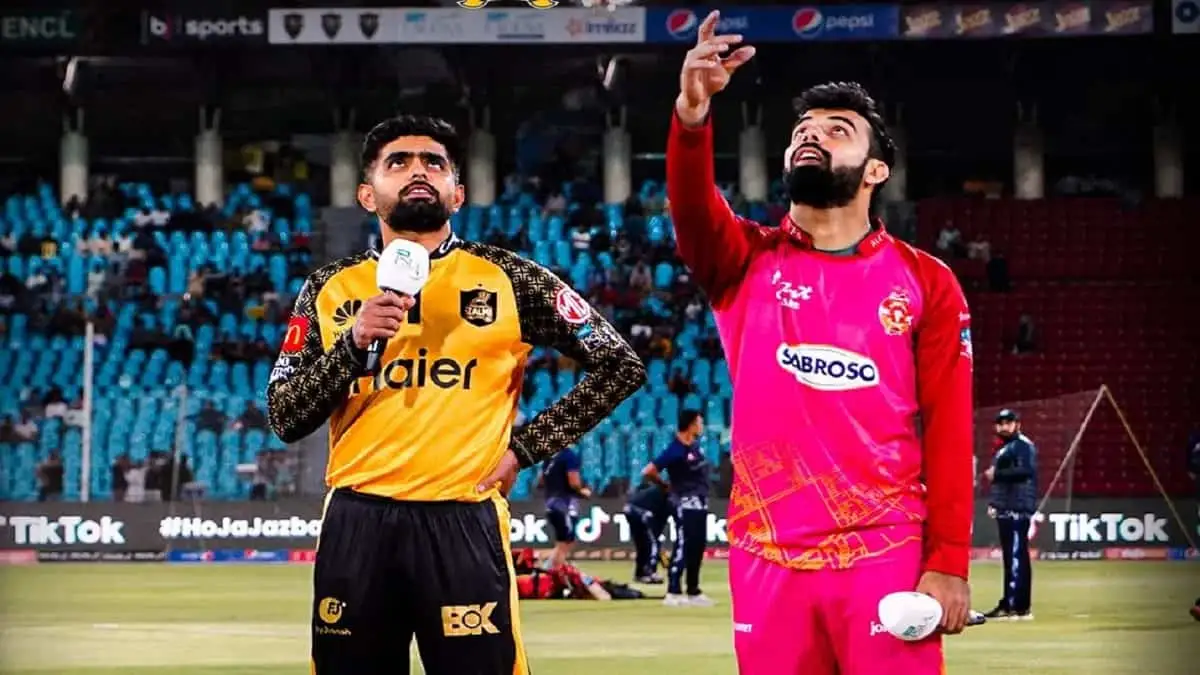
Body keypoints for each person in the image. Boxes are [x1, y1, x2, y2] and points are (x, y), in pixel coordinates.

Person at [266, 114, 646, 675]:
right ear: (367, 195)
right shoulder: (329, 287)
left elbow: (621, 364)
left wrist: (524, 449)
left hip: (463, 519)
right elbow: (285, 416)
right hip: (357, 523)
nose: (418, 171)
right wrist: (352, 344)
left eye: (434, 163)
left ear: (458, 194)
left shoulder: (513, 279)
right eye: (398, 162)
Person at [667, 11, 973, 674]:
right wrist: (692, 115)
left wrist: (949, 559)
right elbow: (691, 210)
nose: (812, 135)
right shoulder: (742, 259)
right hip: (766, 553)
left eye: (838, 130)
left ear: (876, 170)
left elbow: (950, 427)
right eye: (803, 129)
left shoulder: (928, 282)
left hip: (884, 549)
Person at [643, 409, 713, 607]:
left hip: (700, 501)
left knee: (697, 546)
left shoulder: (695, 447)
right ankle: (673, 591)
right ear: (691, 425)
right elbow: (649, 471)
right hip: (683, 502)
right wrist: (665, 485)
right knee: (684, 544)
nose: (702, 426)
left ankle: (693, 590)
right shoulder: (675, 449)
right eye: (699, 422)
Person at [982, 409, 1037, 620]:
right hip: (1008, 507)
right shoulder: (1006, 447)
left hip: (1017, 507)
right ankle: (1015, 604)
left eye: (1008, 423)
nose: (1004, 427)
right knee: (1014, 556)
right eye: (1001, 423)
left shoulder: (1022, 445)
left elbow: (1026, 471)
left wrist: (996, 474)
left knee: (1015, 556)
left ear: (1017, 424)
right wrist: (995, 503)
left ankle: (1014, 606)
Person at [539, 446, 590, 569]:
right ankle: (547, 567)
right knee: (566, 543)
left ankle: (552, 567)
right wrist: (582, 492)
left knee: (562, 542)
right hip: (564, 505)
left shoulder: (549, 456)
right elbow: (574, 482)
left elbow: (541, 481)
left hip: (550, 504)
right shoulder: (569, 455)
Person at [624, 482, 670, 583]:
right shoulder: (669, 497)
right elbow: (659, 525)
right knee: (652, 543)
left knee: (643, 545)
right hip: (639, 511)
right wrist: (663, 559)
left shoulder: (665, 493)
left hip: (631, 508)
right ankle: (650, 572)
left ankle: (640, 574)